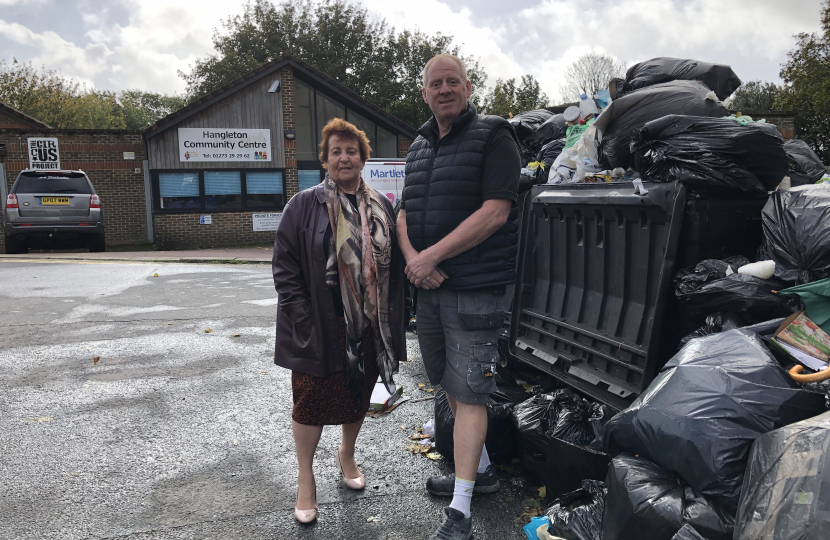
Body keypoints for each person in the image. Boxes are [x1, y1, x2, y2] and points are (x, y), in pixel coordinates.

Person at [398, 54, 521, 540]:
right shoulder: (419, 147)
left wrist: (431, 259)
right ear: (425, 93)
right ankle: (481, 473)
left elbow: (496, 212)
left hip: (475, 291)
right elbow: (404, 213)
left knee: (470, 393)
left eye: (453, 82)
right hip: (428, 289)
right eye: (435, 84)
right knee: (448, 383)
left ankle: (461, 512)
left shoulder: (495, 136)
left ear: (468, 88)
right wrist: (414, 261)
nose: (444, 89)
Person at [272, 118, 406, 524]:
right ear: (325, 159)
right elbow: (285, 268)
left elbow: (394, 263)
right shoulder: (303, 205)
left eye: (351, 151)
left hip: (367, 324)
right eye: (336, 151)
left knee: (356, 396)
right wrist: (302, 318)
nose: (344, 157)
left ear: (362, 158)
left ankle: (346, 454)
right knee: (310, 402)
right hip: (319, 323)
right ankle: (305, 477)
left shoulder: (382, 205)